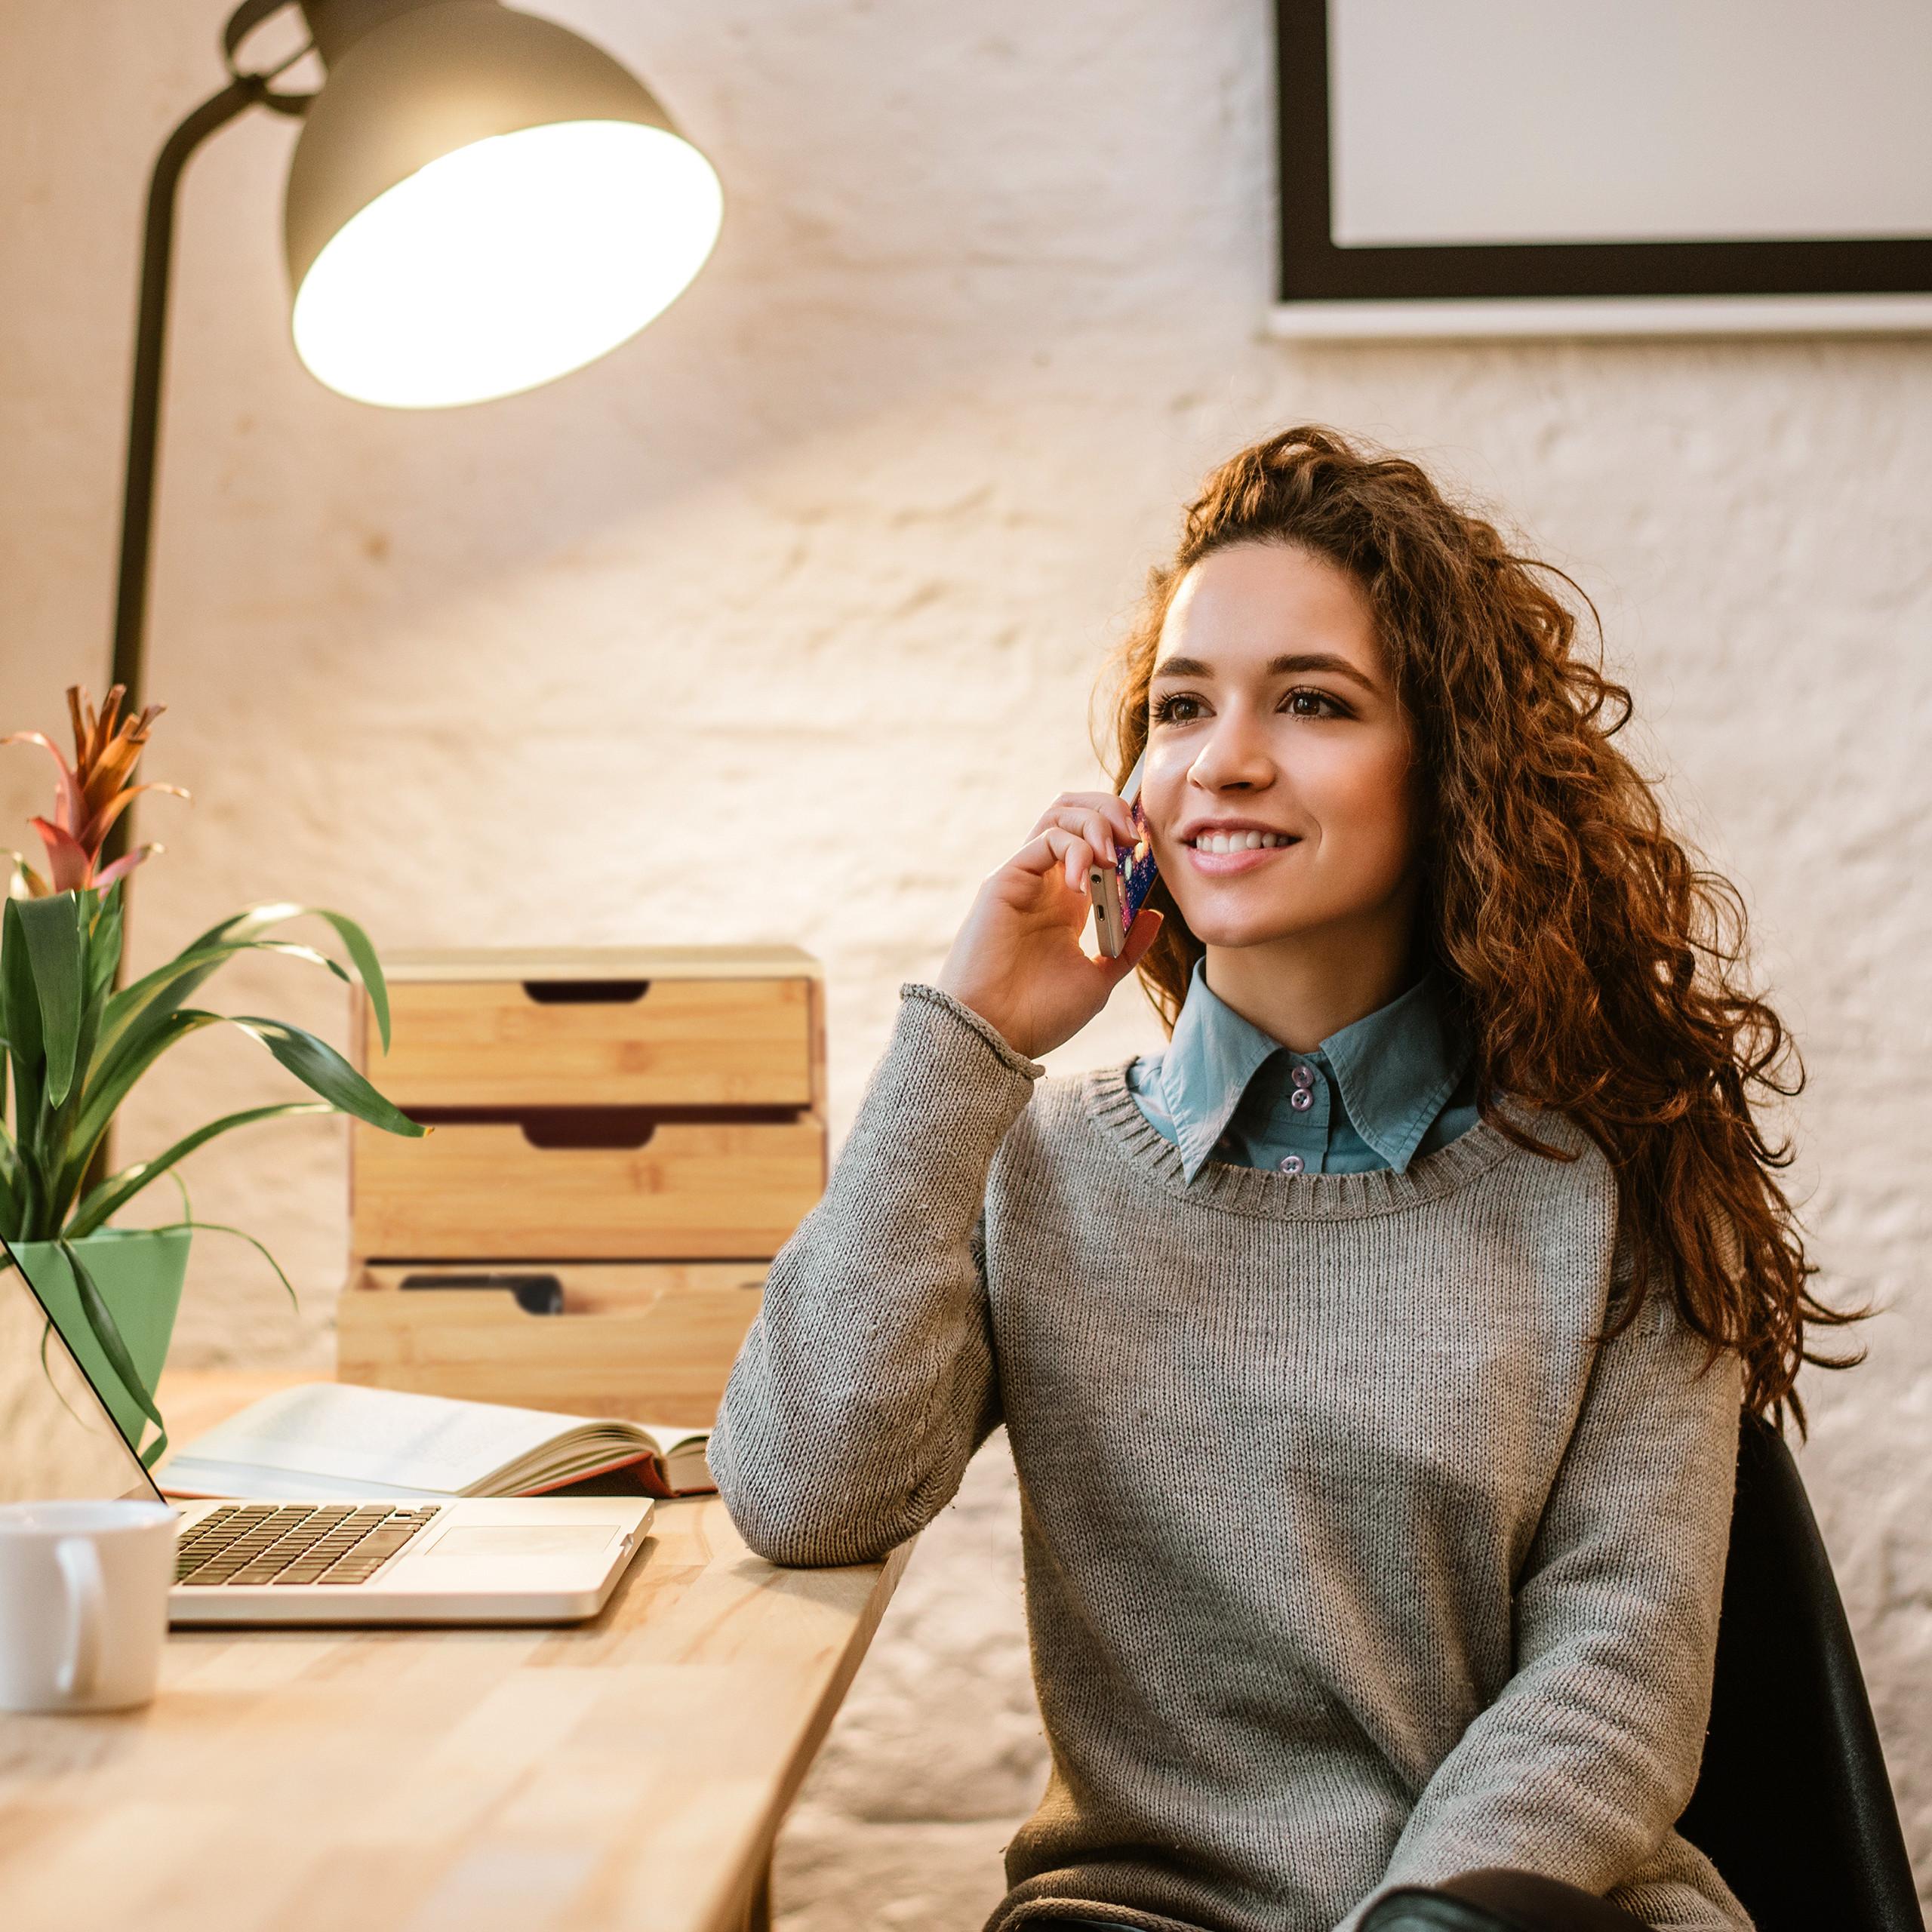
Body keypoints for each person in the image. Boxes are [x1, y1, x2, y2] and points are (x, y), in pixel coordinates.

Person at [707, 426, 1863, 1932]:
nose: (1221, 756)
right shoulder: (1039, 1164)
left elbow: (1612, 1671)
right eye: (1177, 706)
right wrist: (969, 1037)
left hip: (1514, 1912)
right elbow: (802, 1491)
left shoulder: (1616, 1184)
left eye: (1310, 700)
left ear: (1447, 765)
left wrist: (1420, 1921)